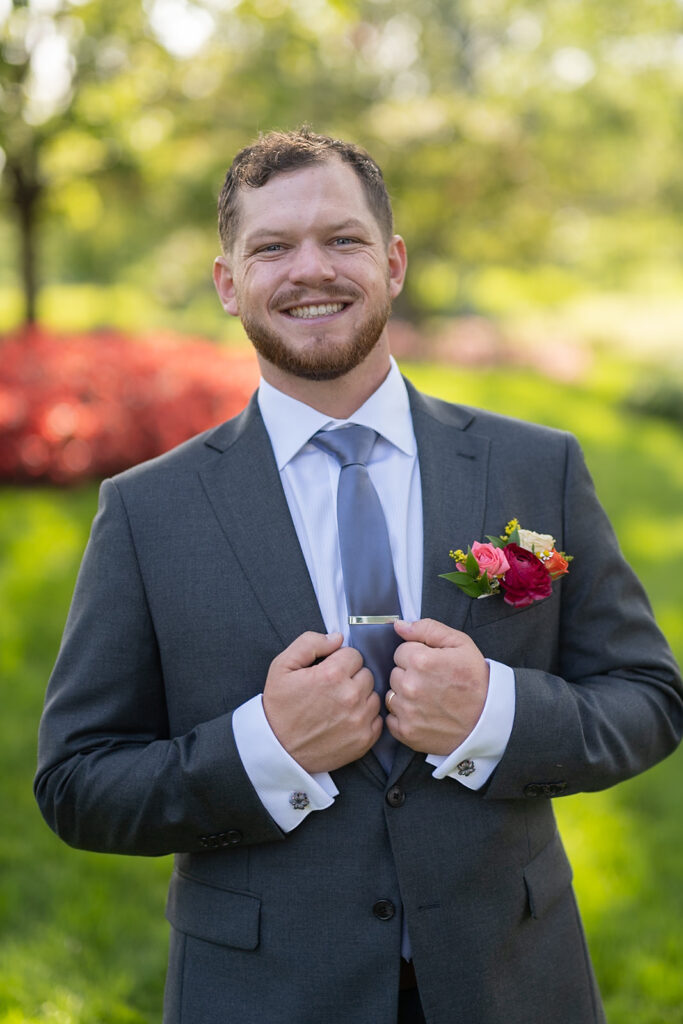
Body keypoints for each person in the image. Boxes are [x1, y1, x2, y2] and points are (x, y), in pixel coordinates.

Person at [35, 128, 682, 1024]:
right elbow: (77, 785)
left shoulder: (536, 467)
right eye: (271, 247)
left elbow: (647, 698)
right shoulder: (148, 512)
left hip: (510, 982)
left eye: (342, 240)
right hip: (266, 995)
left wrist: (494, 713)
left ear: (393, 262)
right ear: (229, 284)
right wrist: (265, 749)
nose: (312, 270)